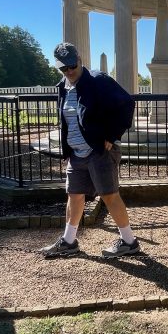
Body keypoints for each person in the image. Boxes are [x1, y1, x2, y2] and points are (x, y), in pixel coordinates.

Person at [41, 43, 141, 259]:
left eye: (71, 66)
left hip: (99, 151)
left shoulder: (98, 80)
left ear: (80, 59)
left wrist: (111, 135)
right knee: (74, 196)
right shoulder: (62, 87)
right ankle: (68, 242)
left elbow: (126, 104)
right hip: (76, 153)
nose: (69, 71)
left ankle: (129, 242)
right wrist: (68, 148)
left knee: (109, 195)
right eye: (63, 68)